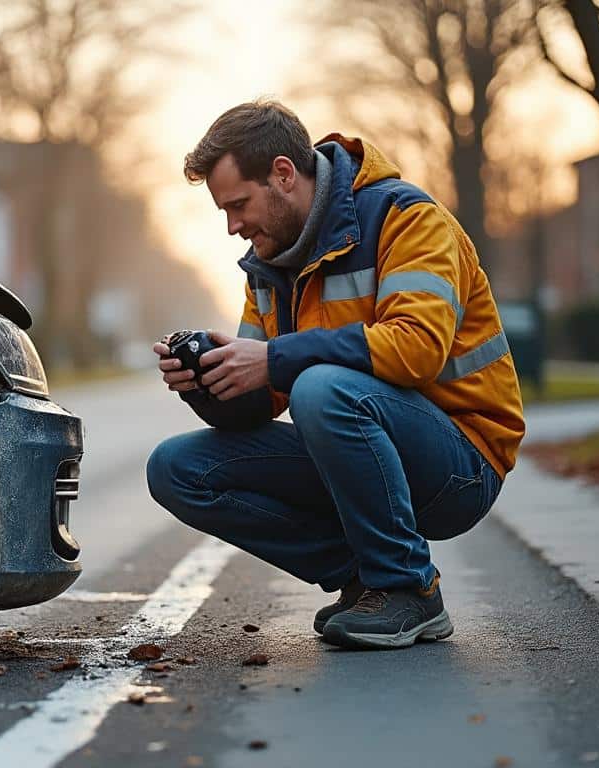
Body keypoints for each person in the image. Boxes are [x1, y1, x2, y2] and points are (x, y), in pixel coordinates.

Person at [146, 99, 525, 649]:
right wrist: (207, 382)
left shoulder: (408, 219)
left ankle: (409, 589)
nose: (232, 226)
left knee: (321, 387)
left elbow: (417, 349)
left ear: (282, 174)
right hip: (354, 453)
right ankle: (365, 577)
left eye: (239, 205)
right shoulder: (267, 266)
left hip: (460, 464)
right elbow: (260, 401)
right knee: (176, 468)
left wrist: (276, 358)